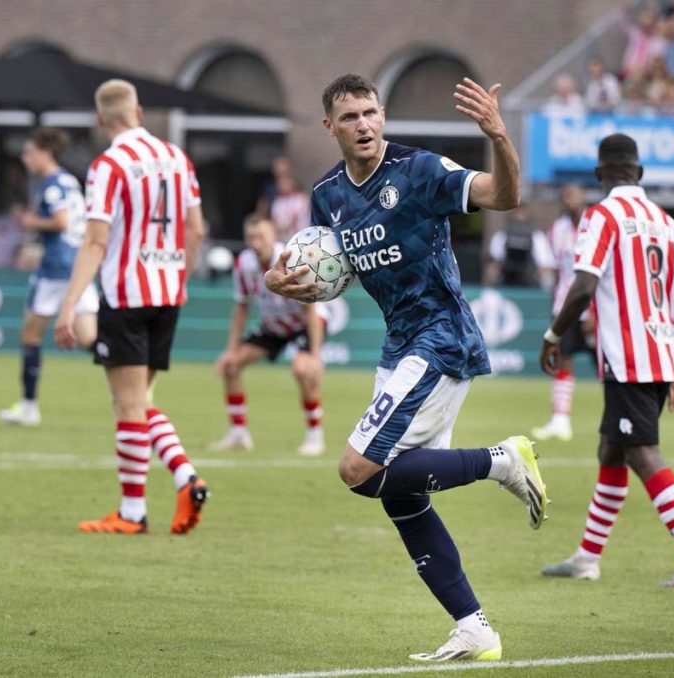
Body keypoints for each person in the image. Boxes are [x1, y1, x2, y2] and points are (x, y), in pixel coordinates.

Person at [265, 73, 549, 663]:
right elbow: (323, 275)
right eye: (349, 118)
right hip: (400, 347)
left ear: (384, 114)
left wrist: (498, 135)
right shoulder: (327, 196)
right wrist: (281, 280)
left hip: (442, 339)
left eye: (370, 113)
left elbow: (504, 196)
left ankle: (502, 461)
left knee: (358, 469)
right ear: (330, 127)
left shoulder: (420, 170)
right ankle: (475, 629)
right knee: (404, 495)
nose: (363, 125)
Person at [538, 134, 674, 588]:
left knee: (642, 453)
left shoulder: (600, 216)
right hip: (659, 353)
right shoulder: (668, 223)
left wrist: (553, 334)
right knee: (611, 449)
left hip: (627, 358)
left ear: (600, 174)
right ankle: (587, 557)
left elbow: (582, 287)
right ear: (639, 172)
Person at [54, 79, 208, 535]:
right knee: (140, 401)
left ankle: (133, 512)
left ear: (102, 119)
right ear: (139, 110)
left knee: (127, 407)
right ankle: (185, 478)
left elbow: (96, 239)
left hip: (126, 295)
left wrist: (68, 306)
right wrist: (181, 277)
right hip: (167, 293)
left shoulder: (108, 165)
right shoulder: (179, 159)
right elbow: (196, 229)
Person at [0, 128, 99, 426]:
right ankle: (135, 374)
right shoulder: (69, 180)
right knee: (89, 339)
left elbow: (62, 221)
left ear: (45, 152)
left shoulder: (53, 184)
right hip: (78, 265)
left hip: (56, 268)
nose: (25, 158)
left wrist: (31, 221)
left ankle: (29, 407)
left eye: (29, 152)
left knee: (30, 335)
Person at [210, 215, 326, 455]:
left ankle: (315, 436)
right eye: (251, 237)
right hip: (272, 326)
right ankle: (239, 434)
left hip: (303, 323)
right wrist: (231, 349)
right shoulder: (244, 264)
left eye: (261, 236)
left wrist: (315, 355)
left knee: (303, 370)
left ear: (273, 236)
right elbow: (241, 305)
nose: (256, 242)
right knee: (231, 366)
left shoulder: (291, 259)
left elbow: (311, 307)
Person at [531, 184, 594, 442]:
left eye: (573, 195)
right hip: (565, 308)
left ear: (583, 196)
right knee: (563, 359)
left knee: (608, 364)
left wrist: (596, 312)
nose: (569, 200)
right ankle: (560, 420)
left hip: (593, 308)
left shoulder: (597, 225)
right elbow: (557, 271)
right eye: (564, 195)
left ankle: (621, 416)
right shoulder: (557, 230)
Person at [486, 206, 555, 288]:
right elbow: (494, 265)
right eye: (517, 215)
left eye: (522, 215)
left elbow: (544, 266)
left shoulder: (537, 237)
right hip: (506, 284)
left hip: (529, 285)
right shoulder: (501, 236)